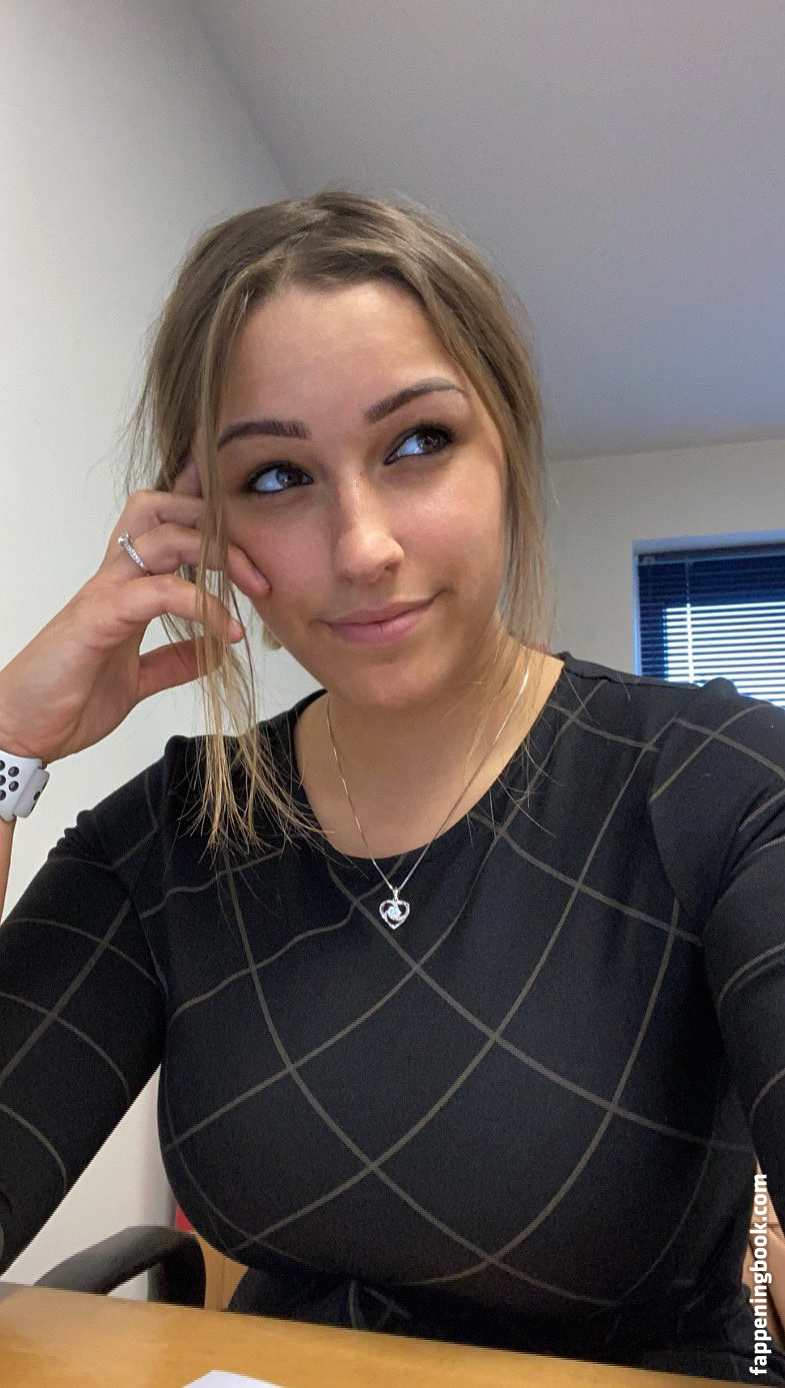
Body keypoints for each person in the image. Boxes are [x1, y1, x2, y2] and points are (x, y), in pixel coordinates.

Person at [0, 188, 784, 1384]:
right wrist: (10, 741)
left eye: (416, 443)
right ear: (203, 528)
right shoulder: (167, 837)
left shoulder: (720, 786)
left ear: (507, 445)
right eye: (276, 475)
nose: (362, 546)